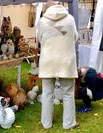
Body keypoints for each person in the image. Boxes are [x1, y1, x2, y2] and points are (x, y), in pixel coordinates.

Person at [36, 0, 79, 129]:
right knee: (68, 93)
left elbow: (40, 40)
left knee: (47, 94)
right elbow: (75, 37)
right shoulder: (70, 19)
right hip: (66, 61)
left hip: (48, 61)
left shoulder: (42, 21)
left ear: (47, 8)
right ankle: (68, 123)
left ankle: (46, 124)